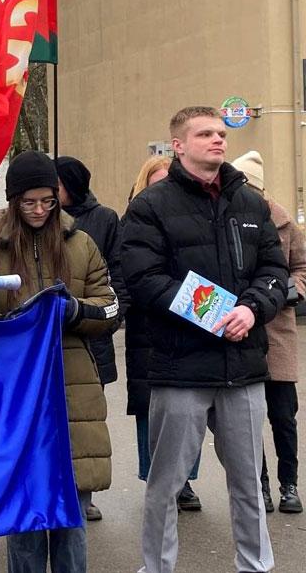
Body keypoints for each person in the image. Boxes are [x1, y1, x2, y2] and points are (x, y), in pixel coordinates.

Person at [122, 106, 288, 573]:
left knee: (248, 482)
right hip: (181, 368)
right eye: (205, 134)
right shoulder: (150, 206)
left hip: (243, 366)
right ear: (178, 145)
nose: (218, 140)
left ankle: (256, 565)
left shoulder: (251, 203)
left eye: (221, 133)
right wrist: (216, 315)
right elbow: (144, 278)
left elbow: (274, 270)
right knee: (166, 484)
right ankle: (156, 567)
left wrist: (251, 309)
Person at [0, 150, 116, 573]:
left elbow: (110, 308)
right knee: (24, 519)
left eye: (48, 201)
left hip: (73, 391)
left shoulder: (80, 243)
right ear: (13, 200)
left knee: (71, 518)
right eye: (29, 202)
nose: (39, 210)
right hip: (14, 394)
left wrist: (74, 311)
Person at [122, 156, 203, 511]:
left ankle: (185, 480)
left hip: (189, 325)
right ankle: (153, 475)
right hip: (148, 329)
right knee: (150, 406)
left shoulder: (193, 219)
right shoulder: (134, 222)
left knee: (191, 408)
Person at [55, 154, 128, 522]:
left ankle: (84, 491)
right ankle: (57, 488)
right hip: (52, 339)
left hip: (91, 336)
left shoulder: (104, 219)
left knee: (86, 421)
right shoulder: (44, 221)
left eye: (56, 184)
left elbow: (118, 276)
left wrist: (108, 318)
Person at [233, 150, 305, 514]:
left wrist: (293, 290)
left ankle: (289, 485)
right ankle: (258, 485)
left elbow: (302, 266)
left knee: (283, 416)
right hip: (240, 333)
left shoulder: (285, 223)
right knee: (247, 420)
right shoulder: (227, 220)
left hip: (278, 334)